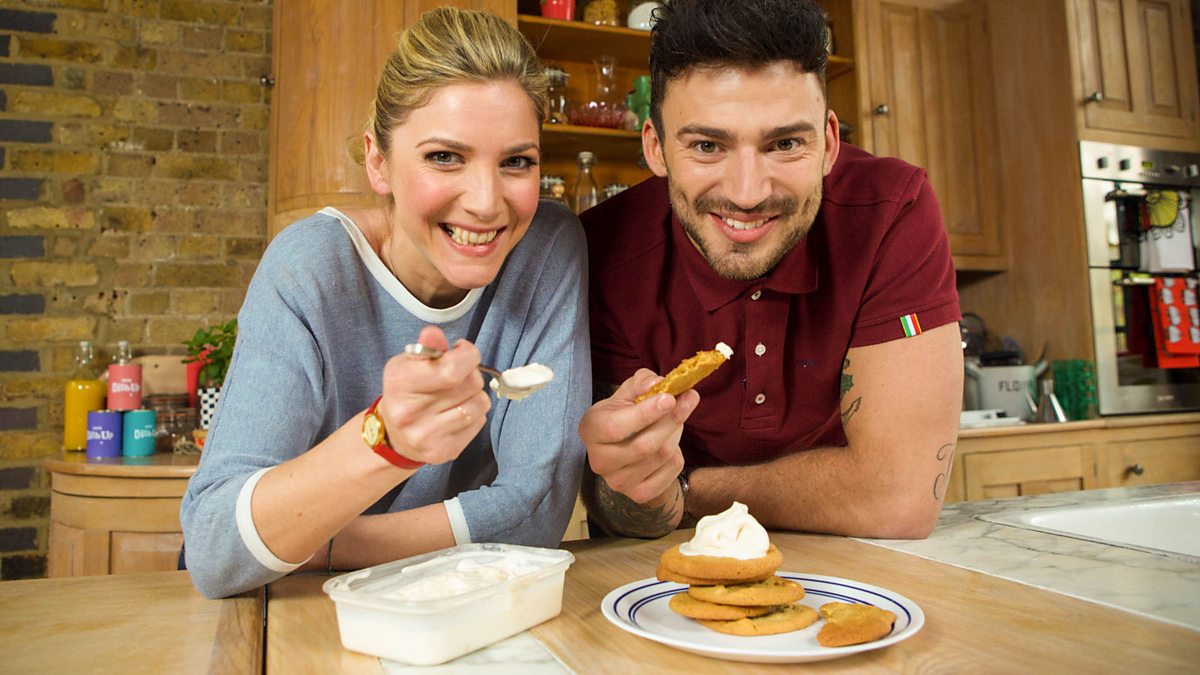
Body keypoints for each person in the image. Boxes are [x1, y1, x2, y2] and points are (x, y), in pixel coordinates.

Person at [180, 7, 590, 599]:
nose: (486, 202)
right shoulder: (309, 268)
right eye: (444, 157)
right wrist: (384, 441)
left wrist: (312, 545)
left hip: (452, 610)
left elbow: (536, 514)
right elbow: (216, 551)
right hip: (288, 617)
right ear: (379, 162)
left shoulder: (546, 247)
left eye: (516, 162)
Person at [578, 0, 963, 541]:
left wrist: (687, 491)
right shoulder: (599, 250)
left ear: (829, 143)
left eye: (785, 144)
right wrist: (635, 485)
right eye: (708, 146)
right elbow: (624, 506)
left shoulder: (892, 210)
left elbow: (897, 500)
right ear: (656, 148)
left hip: (861, 559)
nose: (748, 193)